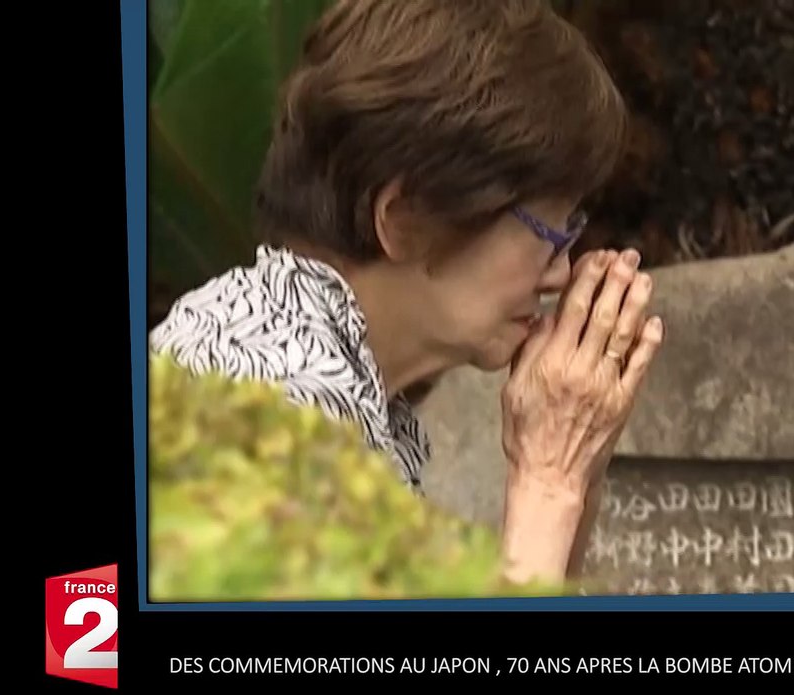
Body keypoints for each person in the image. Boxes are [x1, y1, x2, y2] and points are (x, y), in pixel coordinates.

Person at [148, 0, 663, 588]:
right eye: (547, 236)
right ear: (405, 219)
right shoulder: (271, 410)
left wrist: (577, 468)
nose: (560, 274)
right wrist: (548, 482)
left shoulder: (316, 370)